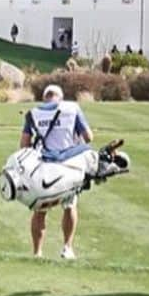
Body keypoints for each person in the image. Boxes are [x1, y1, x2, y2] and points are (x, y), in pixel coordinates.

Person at [20, 83, 93, 260]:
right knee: (69, 206)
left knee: (40, 209)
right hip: (68, 166)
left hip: (44, 166)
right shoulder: (72, 108)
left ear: (45, 97)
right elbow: (88, 137)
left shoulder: (33, 113)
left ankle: (37, 252)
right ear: (60, 97)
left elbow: (24, 145)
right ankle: (67, 247)